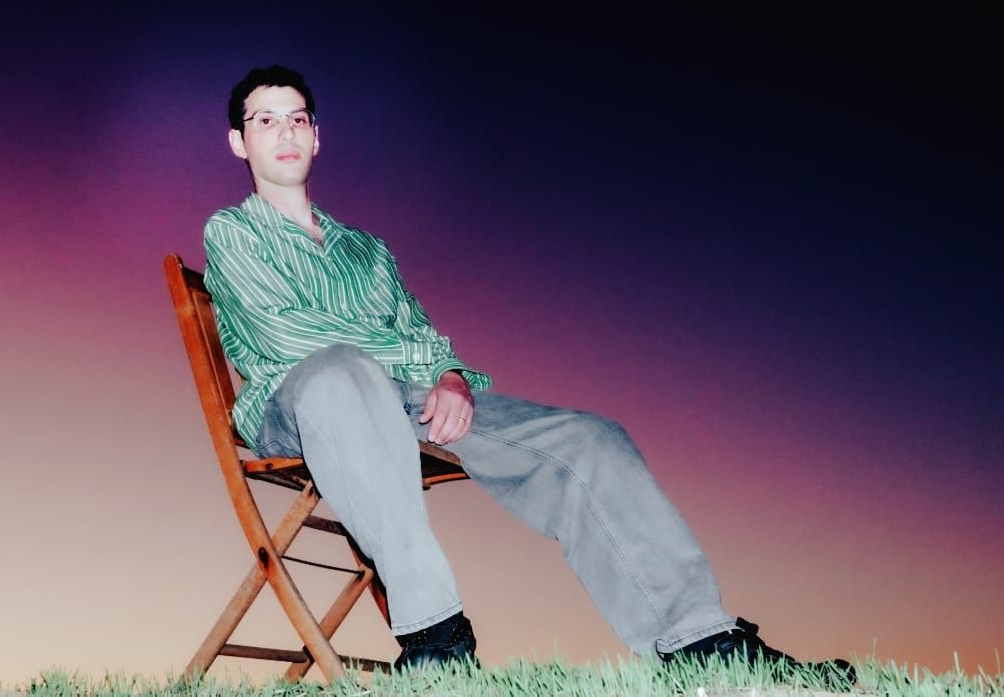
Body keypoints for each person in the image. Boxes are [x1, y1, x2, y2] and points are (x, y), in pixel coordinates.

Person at [202, 65, 855, 685]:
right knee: (343, 372)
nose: (284, 133)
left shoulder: (367, 250)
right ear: (239, 141)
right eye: (264, 121)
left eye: (296, 119)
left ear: (317, 134)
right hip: (298, 402)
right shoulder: (232, 232)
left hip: (404, 400)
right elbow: (290, 334)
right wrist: (415, 362)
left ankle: (698, 641)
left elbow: (422, 332)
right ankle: (437, 639)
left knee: (588, 440)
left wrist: (450, 377)